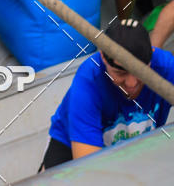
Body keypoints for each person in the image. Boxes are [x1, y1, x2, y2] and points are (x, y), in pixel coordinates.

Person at [41, 18, 174, 170]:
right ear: (103, 57)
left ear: (152, 54)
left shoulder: (166, 67)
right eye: (120, 73)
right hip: (71, 143)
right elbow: (90, 170)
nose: (132, 83)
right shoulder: (89, 80)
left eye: (140, 71)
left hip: (138, 141)